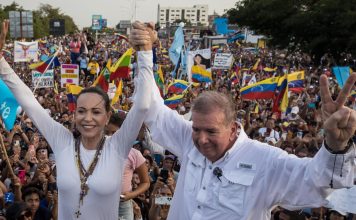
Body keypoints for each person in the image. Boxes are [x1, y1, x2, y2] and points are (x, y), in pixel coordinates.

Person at [130, 21, 356, 220]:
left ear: (232, 127)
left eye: (211, 131)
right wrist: (145, 53)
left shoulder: (266, 160)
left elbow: (317, 182)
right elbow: (150, 106)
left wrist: (336, 146)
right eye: (196, 129)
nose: (201, 139)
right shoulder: (189, 140)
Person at [0, 20, 154, 219]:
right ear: (74, 114)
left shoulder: (117, 146)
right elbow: (28, 101)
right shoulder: (62, 141)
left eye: (96, 112)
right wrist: (1, 61)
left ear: (107, 117)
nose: (87, 118)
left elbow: (142, 105)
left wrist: (145, 53)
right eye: (81, 111)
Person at [106, 113, 150, 220]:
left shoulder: (134, 154)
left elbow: (145, 182)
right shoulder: (96, 151)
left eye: (114, 132)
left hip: (123, 205)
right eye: (107, 132)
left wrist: (132, 194)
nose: (110, 136)